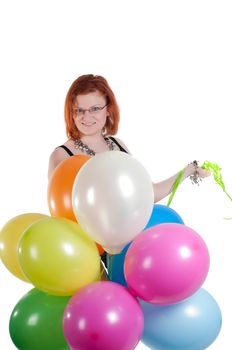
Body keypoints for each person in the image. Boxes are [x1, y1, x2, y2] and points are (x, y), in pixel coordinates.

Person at [48, 74, 210, 266]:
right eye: (79, 110)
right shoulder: (62, 155)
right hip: (85, 257)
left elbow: (147, 194)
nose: (86, 117)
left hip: (128, 250)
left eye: (95, 109)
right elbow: (62, 219)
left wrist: (188, 170)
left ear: (108, 110)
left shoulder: (118, 145)